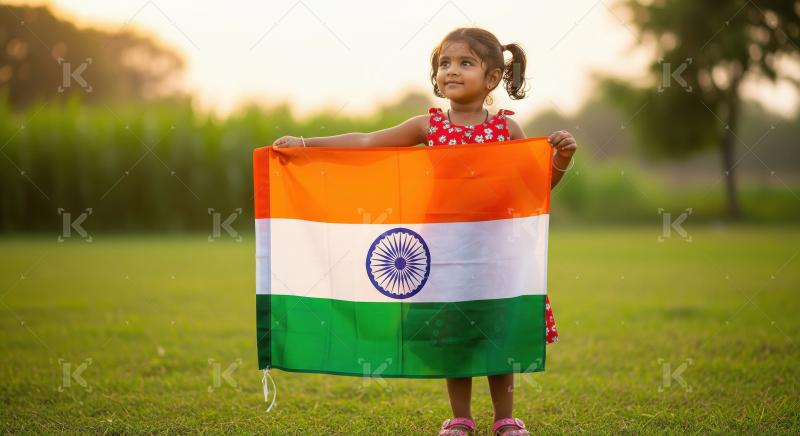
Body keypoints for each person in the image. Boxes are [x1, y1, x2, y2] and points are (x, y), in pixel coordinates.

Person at [272, 26, 577, 436]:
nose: (451, 70)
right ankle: (461, 418)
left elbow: (533, 192)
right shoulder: (428, 126)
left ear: (491, 78)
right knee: (454, 333)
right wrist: (307, 144)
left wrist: (560, 161)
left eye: (465, 62)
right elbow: (367, 142)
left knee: (494, 329)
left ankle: (505, 418)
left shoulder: (507, 131)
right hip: (444, 250)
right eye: (444, 63)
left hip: (496, 252)